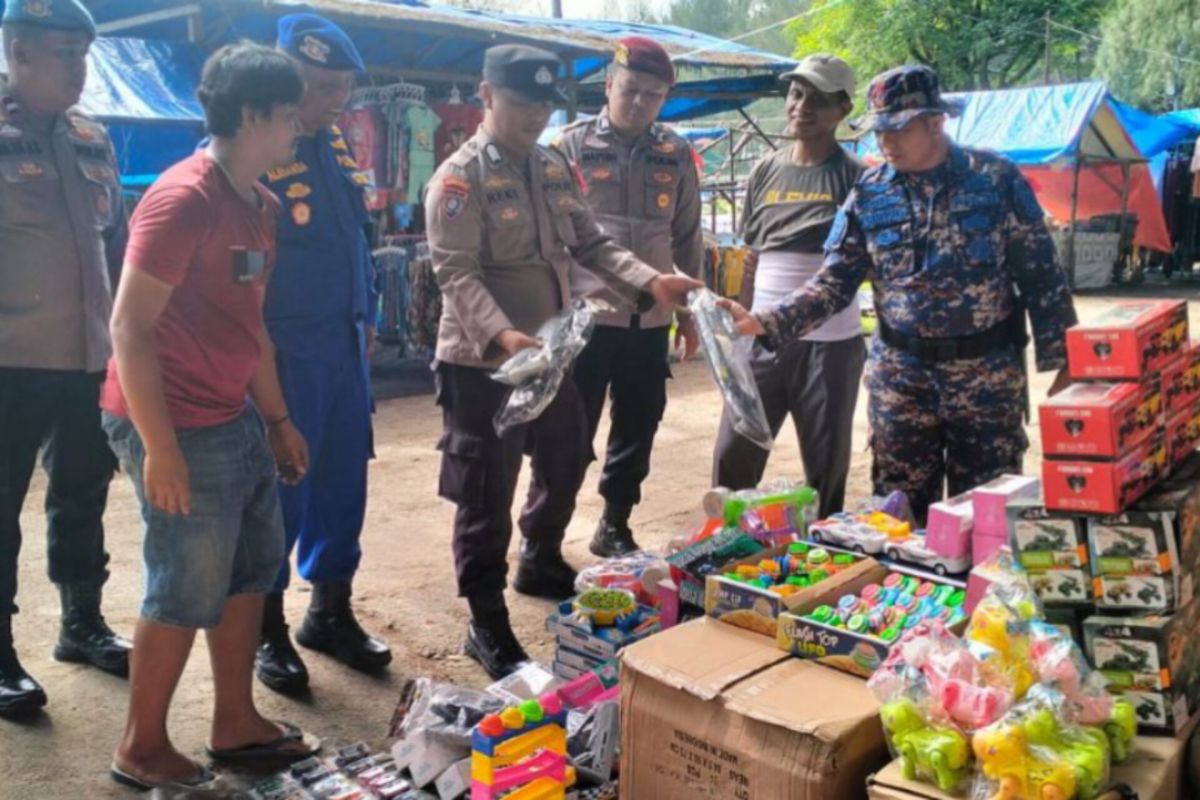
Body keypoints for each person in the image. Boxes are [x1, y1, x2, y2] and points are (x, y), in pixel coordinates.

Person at [425, 44, 701, 680]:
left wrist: (650, 283)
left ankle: (541, 557)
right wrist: (501, 337)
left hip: (551, 353)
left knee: (568, 451)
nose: (534, 115)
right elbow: (456, 274)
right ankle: (485, 617)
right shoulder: (459, 180)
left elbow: (592, 242)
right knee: (486, 489)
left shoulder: (551, 166)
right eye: (522, 102)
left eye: (544, 104)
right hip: (483, 364)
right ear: (488, 97)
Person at [102, 43, 319, 789]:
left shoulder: (257, 206)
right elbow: (129, 328)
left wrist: (279, 420)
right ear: (253, 114)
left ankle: (235, 722)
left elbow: (249, 328)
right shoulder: (183, 197)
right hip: (173, 421)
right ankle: (140, 745)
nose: (297, 129)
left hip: (232, 417)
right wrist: (159, 449)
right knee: (184, 584)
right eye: (288, 115)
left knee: (249, 572)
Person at [723, 65, 1077, 522]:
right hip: (902, 383)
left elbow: (1041, 274)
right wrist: (767, 320)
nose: (884, 142)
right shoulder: (870, 193)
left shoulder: (995, 178)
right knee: (898, 517)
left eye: (897, 129)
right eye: (878, 130)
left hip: (987, 380)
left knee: (989, 515)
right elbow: (834, 282)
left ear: (935, 122)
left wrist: (1068, 359)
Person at [0, 0, 131, 719]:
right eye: (61, 53)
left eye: (83, 53)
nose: (78, 68)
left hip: (89, 357)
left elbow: (113, 248)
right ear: (17, 54)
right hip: (9, 362)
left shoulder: (92, 137)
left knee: (82, 494)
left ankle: (82, 624)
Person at [253, 13, 390, 698]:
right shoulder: (255, 150)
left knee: (342, 479)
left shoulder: (334, 146)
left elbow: (357, 242)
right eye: (319, 86)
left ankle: (328, 610)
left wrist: (372, 312)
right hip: (287, 352)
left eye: (340, 87)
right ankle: (265, 626)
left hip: (344, 343)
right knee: (285, 488)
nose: (334, 99)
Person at [553, 37, 703, 557]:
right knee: (569, 433)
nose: (639, 102)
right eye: (631, 89)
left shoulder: (677, 153)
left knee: (638, 426)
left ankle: (614, 523)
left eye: (652, 94)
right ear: (610, 85)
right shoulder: (569, 147)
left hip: (651, 319)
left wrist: (690, 313)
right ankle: (544, 537)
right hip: (587, 320)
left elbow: (688, 237)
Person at [712, 55, 865, 520]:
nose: (802, 107)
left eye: (818, 100)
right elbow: (752, 253)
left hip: (829, 343)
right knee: (734, 452)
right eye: (796, 95)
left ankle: (822, 557)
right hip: (759, 336)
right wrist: (738, 324)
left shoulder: (856, 175)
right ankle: (721, 547)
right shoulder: (765, 170)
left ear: (842, 110)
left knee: (824, 464)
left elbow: (858, 264)